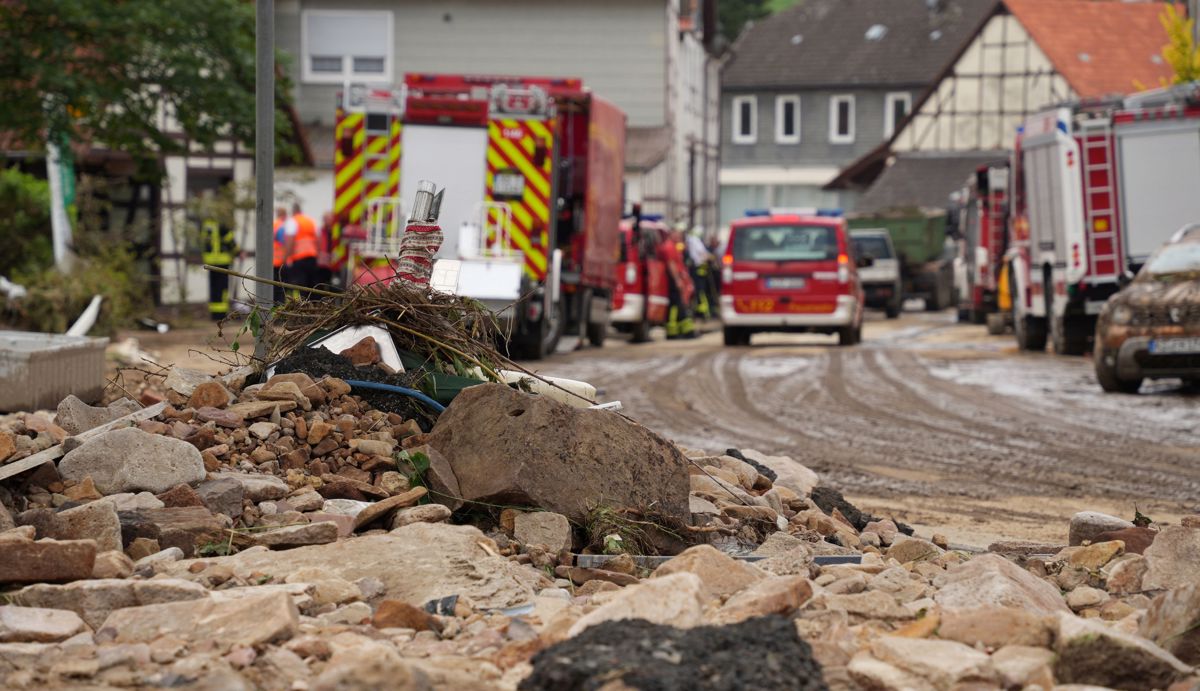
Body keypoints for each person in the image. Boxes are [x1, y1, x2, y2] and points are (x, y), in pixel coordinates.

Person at [658, 225, 697, 339]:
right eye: (677, 234)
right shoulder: (669, 247)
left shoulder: (674, 246)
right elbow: (672, 265)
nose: (679, 237)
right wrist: (678, 280)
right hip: (673, 280)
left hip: (676, 279)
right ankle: (681, 332)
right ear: (671, 234)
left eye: (680, 235)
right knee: (676, 305)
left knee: (678, 305)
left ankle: (680, 331)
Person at [201, 215, 237, 321]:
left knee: (214, 288)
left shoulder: (206, 225)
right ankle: (221, 314)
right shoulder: (222, 226)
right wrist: (238, 252)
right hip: (222, 262)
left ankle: (214, 314)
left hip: (210, 262)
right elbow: (230, 242)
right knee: (222, 289)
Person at [281, 202, 319, 292]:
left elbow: (290, 241)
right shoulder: (310, 221)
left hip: (299, 258)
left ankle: (301, 301)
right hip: (312, 257)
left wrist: (285, 259)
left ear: (293, 211)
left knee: (300, 285)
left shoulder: (292, 221)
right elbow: (318, 240)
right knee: (311, 286)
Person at [682, 223, 715, 320]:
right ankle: (704, 313)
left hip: (697, 270)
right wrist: (711, 257)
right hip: (699, 271)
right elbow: (703, 254)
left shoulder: (691, 240)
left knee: (698, 292)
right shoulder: (695, 241)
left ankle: (700, 312)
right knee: (701, 292)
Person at [272, 207, 288, 303]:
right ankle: (280, 306)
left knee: (274, 286)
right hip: (280, 261)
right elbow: (284, 242)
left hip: (273, 260)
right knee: (281, 288)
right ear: (284, 215)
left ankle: (274, 306)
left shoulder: (274, 224)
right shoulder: (282, 226)